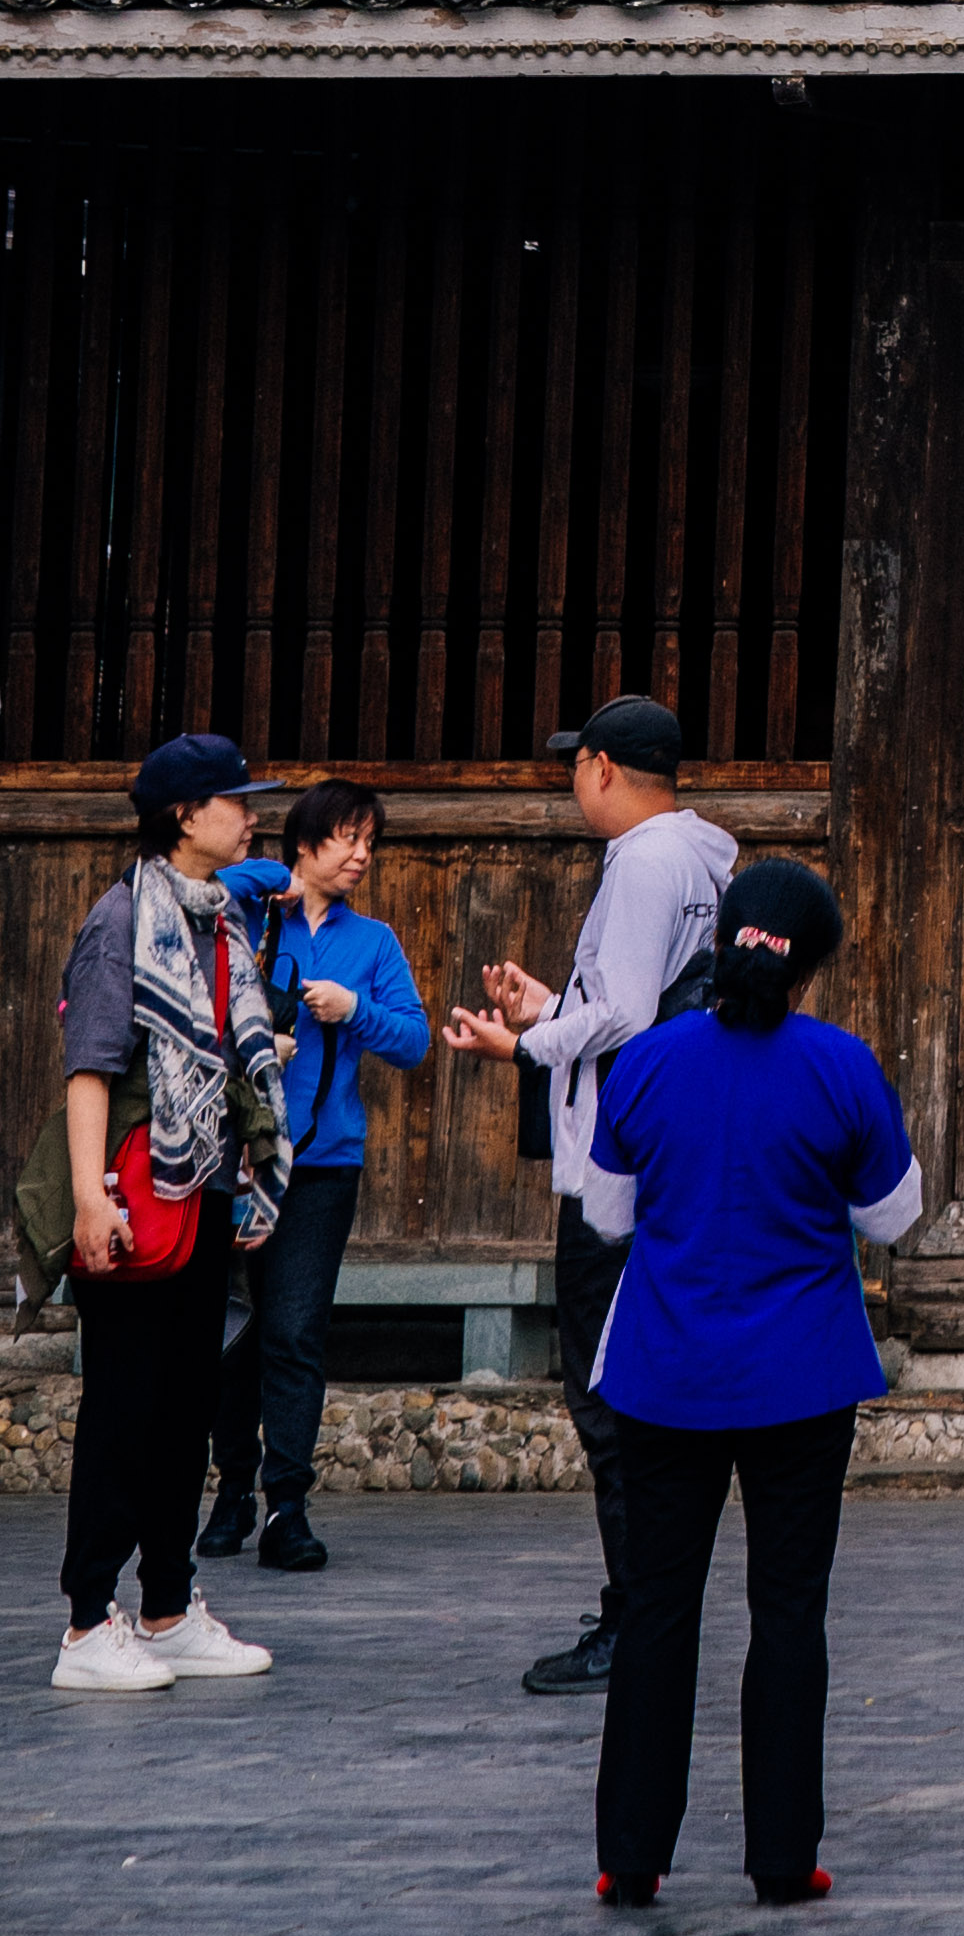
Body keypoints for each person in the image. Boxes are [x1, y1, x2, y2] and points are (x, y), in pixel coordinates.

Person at [583, 856, 919, 1913]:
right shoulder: (843, 1065)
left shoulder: (645, 1061)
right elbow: (895, 1216)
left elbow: (604, 1212)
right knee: (788, 1613)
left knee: (656, 1612)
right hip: (802, 1374)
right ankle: (783, 1857)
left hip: (664, 1369)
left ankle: (631, 1856)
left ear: (721, 937)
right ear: (811, 961)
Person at [442, 694, 735, 1697]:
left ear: (604, 767)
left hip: (618, 1167)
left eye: (577, 765)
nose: (572, 782)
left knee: (606, 1395)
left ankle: (639, 1614)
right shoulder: (697, 857)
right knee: (625, 1389)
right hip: (647, 1152)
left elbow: (625, 1015)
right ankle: (643, 1601)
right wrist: (551, 1006)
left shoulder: (648, 861)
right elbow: (634, 1000)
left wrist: (521, 1039)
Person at [41, 735, 291, 1695]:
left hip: (207, 1193)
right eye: (236, 801)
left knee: (187, 1409)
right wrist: (88, 1197)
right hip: (139, 1198)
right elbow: (90, 1068)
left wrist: (254, 1174)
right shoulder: (121, 922)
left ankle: (169, 1606)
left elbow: (234, 1061)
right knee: (123, 1410)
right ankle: (83, 1624)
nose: (252, 814)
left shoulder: (223, 920)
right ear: (185, 816)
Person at [201, 773, 431, 1574]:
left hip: (323, 1164)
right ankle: (230, 1491)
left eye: (372, 841)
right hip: (232, 1158)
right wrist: (283, 884)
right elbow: (207, 884)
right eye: (349, 838)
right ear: (305, 843)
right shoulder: (248, 914)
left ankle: (286, 1505)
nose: (364, 855)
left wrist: (352, 1010)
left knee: (296, 1332)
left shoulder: (374, 944)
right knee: (233, 1332)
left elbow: (414, 1040)